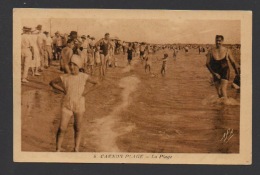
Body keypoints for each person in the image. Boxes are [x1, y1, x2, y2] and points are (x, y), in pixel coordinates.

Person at [50, 54, 99, 152]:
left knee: (77, 127)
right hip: (66, 105)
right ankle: (58, 149)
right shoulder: (65, 77)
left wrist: (85, 92)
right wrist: (63, 90)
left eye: (75, 65)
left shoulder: (84, 76)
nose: (72, 67)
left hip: (79, 105)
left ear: (79, 66)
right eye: (70, 64)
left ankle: (76, 148)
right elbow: (52, 83)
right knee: (62, 128)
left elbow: (97, 83)